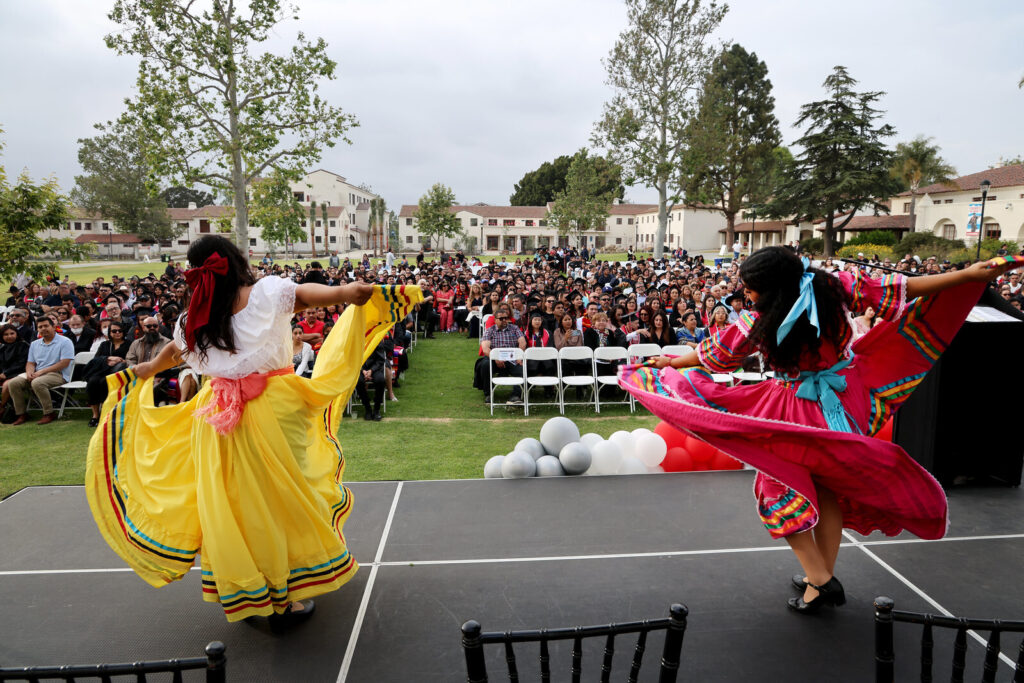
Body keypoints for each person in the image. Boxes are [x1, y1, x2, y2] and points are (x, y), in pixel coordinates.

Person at [621, 246, 1023, 615]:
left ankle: (822, 579)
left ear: (772, 287)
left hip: (795, 409)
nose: (746, 293)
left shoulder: (760, 319)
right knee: (826, 487)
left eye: (751, 287)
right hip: (845, 403)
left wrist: (671, 365)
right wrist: (971, 274)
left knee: (775, 490)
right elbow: (908, 286)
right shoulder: (836, 287)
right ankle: (819, 579)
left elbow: (718, 356)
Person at [84, 234, 421, 626]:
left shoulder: (194, 315)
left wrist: (146, 369)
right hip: (271, 410)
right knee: (279, 501)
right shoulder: (264, 294)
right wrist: (346, 290)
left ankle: (249, 588)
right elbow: (307, 296)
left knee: (233, 505)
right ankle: (283, 597)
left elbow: (175, 352)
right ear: (235, 260)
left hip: (215, 417)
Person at [6, 316, 75, 425]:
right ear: (37, 329)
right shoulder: (35, 344)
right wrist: (29, 372)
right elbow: (30, 363)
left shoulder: (65, 341)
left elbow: (64, 363)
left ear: (53, 327)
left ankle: (49, 413)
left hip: (58, 374)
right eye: (40, 327)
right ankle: (21, 414)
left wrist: (41, 372)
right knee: (13, 383)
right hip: (37, 373)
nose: (43, 329)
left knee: (37, 383)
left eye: (46, 326)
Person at [474, 304, 526, 404]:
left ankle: (516, 395)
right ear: (495, 319)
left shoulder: (514, 328)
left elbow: (522, 342)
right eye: (501, 318)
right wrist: (495, 358)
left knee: (522, 368)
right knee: (485, 365)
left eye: (506, 318)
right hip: (495, 359)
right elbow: (485, 348)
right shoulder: (490, 330)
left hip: (512, 358)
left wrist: (519, 357)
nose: (504, 320)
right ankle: (489, 393)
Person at [84, 321, 132, 427]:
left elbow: (130, 359)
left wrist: (120, 361)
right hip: (102, 370)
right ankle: (95, 415)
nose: (117, 333)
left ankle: (106, 413)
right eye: (114, 331)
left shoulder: (129, 344)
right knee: (92, 381)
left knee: (104, 382)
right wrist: (108, 358)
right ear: (110, 332)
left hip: (119, 373)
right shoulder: (105, 344)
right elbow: (96, 359)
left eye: (120, 331)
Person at [0, 323, 30, 416]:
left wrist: (6, 373)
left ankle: (2, 407)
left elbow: (22, 363)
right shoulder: (2, 347)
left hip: (19, 373)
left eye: (12, 333)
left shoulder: (23, 345)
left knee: (6, 385)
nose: (9, 336)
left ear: (16, 334)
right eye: (6, 334)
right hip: (4, 373)